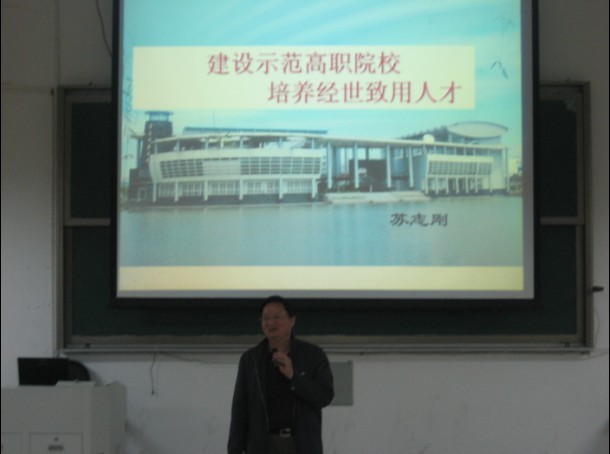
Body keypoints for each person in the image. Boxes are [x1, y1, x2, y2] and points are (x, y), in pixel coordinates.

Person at [228, 295, 334, 454]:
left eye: (277, 317)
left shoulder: (312, 355)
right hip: (262, 445)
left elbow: (324, 396)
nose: (271, 323)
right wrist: (234, 450)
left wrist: (294, 377)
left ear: (292, 321)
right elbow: (240, 410)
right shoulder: (251, 359)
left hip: (301, 444)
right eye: (266, 318)